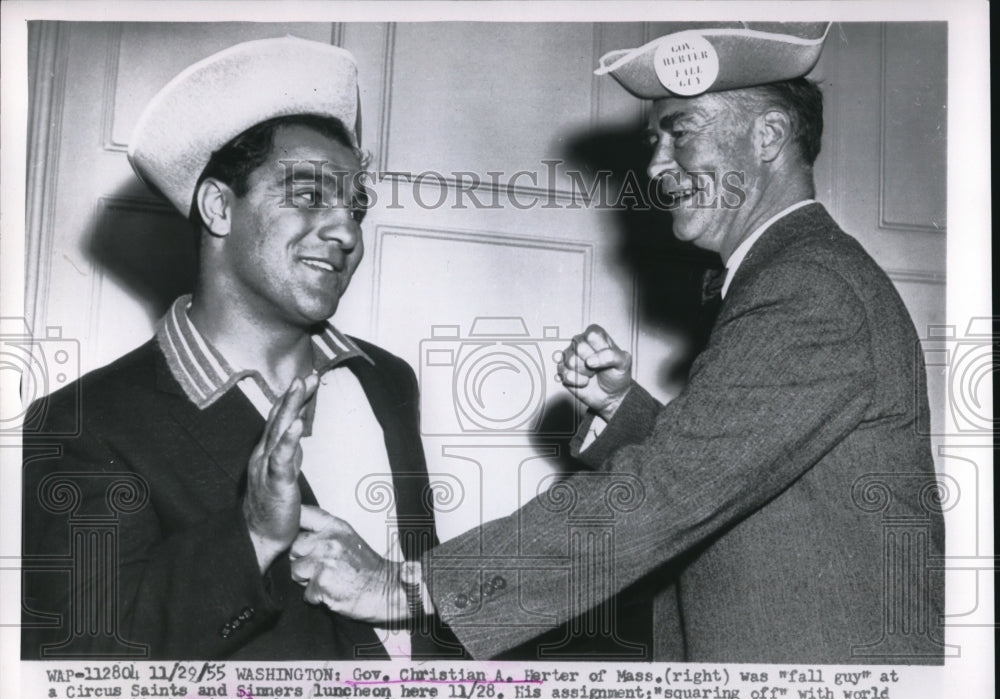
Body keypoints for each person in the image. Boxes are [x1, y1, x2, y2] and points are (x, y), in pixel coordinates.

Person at [289, 23, 946, 664]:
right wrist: (625, 414)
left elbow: (666, 491)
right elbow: (736, 471)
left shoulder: (808, 287)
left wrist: (405, 587)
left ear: (768, 135)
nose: (657, 163)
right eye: (655, 137)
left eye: (680, 132)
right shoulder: (799, 275)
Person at [21, 37, 455, 660]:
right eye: (309, 195)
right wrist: (250, 534)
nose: (347, 231)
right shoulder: (82, 424)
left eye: (355, 206)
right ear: (219, 207)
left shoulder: (387, 380)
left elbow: (420, 608)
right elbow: (77, 671)